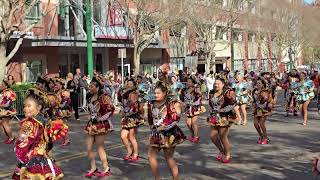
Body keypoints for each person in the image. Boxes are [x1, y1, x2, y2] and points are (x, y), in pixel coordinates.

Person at [12, 89, 67, 179]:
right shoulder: (44, 120)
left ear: (39, 107)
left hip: (31, 158)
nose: (25, 109)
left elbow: (25, 142)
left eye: (29, 106)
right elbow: (49, 142)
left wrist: (17, 146)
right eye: (25, 106)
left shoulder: (31, 122)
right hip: (42, 156)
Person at [147, 82, 185, 180]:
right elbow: (150, 118)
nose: (155, 95)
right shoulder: (151, 103)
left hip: (169, 134)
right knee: (151, 156)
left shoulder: (171, 103)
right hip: (156, 134)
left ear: (165, 93)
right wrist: (153, 128)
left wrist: (165, 127)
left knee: (168, 158)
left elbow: (176, 119)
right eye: (155, 93)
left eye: (158, 93)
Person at [84, 76, 115, 178]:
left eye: (92, 86)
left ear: (97, 87)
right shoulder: (89, 97)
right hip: (91, 124)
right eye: (89, 86)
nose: (90, 88)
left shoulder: (104, 97)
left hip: (101, 125)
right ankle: (93, 168)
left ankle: (106, 168)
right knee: (88, 147)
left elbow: (111, 110)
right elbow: (91, 111)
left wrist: (100, 119)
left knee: (99, 147)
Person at [207, 74, 237, 163]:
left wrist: (222, 110)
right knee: (212, 136)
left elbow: (233, 103)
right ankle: (221, 150)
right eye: (215, 83)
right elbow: (210, 104)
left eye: (218, 83)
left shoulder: (228, 92)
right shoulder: (212, 92)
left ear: (223, 84)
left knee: (222, 136)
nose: (216, 85)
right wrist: (211, 111)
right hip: (214, 117)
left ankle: (227, 154)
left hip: (225, 117)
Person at [118, 78, 144, 162]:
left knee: (131, 137)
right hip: (126, 117)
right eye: (127, 83)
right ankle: (129, 150)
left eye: (130, 84)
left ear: (134, 85)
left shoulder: (134, 94)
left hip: (133, 117)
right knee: (123, 136)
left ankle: (135, 153)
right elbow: (122, 103)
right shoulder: (124, 93)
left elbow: (136, 107)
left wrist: (130, 111)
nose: (128, 85)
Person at [181, 76, 205, 143]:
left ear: (193, 83)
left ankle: (196, 136)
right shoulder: (184, 90)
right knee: (188, 123)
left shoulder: (196, 89)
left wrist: (199, 93)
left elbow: (200, 96)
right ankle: (193, 135)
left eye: (189, 82)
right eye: (187, 82)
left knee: (193, 122)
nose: (188, 83)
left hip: (195, 107)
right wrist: (183, 103)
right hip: (188, 108)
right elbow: (182, 98)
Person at [252, 77, 274, 145]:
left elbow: (269, 99)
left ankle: (266, 138)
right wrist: (253, 103)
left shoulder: (265, 91)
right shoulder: (254, 91)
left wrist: (270, 103)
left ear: (263, 84)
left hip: (264, 109)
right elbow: (254, 101)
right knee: (255, 124)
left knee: (261, 123)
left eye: (259, 83)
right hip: (257, 109)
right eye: (257, 83)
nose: (258, 84)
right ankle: (260, 136)